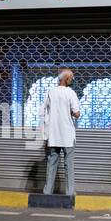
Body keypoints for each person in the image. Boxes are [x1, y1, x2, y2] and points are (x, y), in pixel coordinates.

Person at [41, 67, 81, 196]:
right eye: (71, 77)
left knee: (52, 163)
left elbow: (43, 110)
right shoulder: (70, 93)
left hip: (53, 134)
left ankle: (47, 191)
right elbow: (77, 114)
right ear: (66, 78)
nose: (72, 79)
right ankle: (70, 192)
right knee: (69, 164)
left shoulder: (50, 92)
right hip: (67, 134)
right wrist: (69, 112)